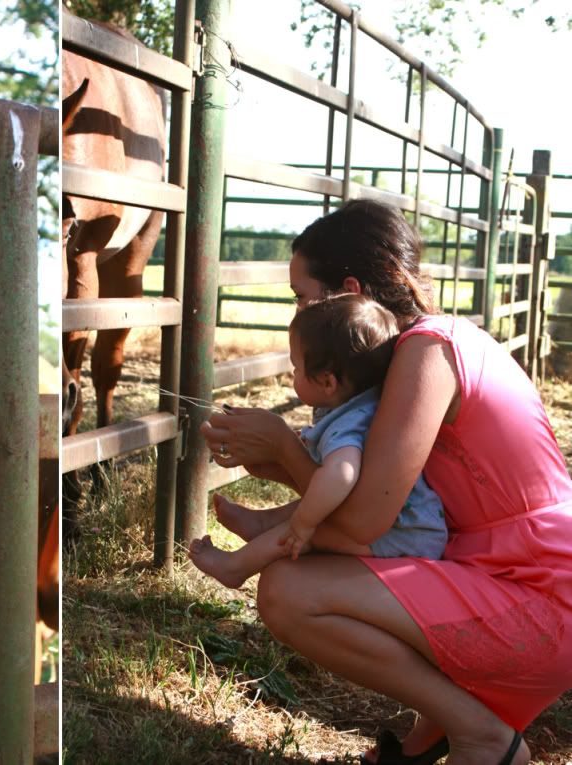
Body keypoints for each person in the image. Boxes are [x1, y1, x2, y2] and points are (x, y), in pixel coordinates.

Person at [200, 199, 572, 765]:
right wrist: (274, 460)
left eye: (302, 297)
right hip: (507, 577)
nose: (296, 313)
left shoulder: (429, 351)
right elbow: (371, 497)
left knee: (288, 592)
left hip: (543, 599)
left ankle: (481, 735)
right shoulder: (410, 354)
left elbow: (364, 521)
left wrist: (280, 446)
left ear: (347, 289)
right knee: (306, 570)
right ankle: (437, 733)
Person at [189, 294, 448, 589]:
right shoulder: (366, 407)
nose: (293, 375)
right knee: (316, 506)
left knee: (305, 524)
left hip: (404, 535)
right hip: (415, 528)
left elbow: (341, 474)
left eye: (296, 368)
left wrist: (304, 523)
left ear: (327, 382)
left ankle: (234, 567)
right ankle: (261, 524)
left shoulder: (347, 426)